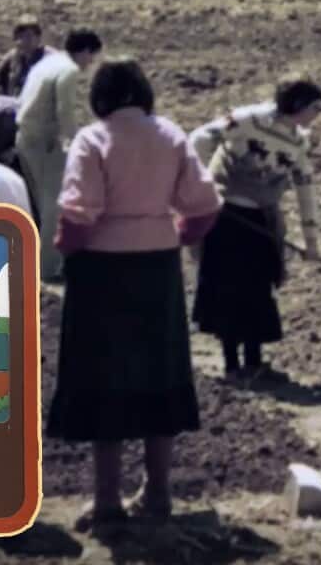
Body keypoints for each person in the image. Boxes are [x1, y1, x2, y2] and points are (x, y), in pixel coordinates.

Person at [46, 57, 222, 531]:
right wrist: (173, 233)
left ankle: (107, 502)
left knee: (103, 379)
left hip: (103, 274)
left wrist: (66, 250)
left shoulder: (93, 138)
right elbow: (204, 206)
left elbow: (79, 215)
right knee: (158, 374)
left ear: (100, 96)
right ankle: (158, 493)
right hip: (158, 271)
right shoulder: (171, 135)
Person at [188, 73, 321, 381]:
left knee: (257, 290)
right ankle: (231, 365)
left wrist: (311, 242)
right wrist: (204, 185)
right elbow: (198, 139)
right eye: (317, 106)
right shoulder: (246, 120)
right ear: (300, 104)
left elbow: (306, 188)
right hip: (227, 219)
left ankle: (254, 361)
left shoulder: (298, 142)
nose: (319, 114)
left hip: (261, 221)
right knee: (226, 289)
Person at [16, 28, 103, 282]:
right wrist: (78, 145)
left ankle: (37, 262)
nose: (90, 64)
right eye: (92, 57)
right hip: (43, 143)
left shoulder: (49, 63)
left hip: (25, 138)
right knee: (53, 206)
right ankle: (47, 268)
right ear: (85, 51)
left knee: (42, 204)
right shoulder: (69, 71)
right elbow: (65, 113)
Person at [0, 14, 52, 97]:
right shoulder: (12, 56)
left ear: (38, 38)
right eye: (20, 36)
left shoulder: (49, 57)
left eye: (28, 36)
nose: (24, 40)